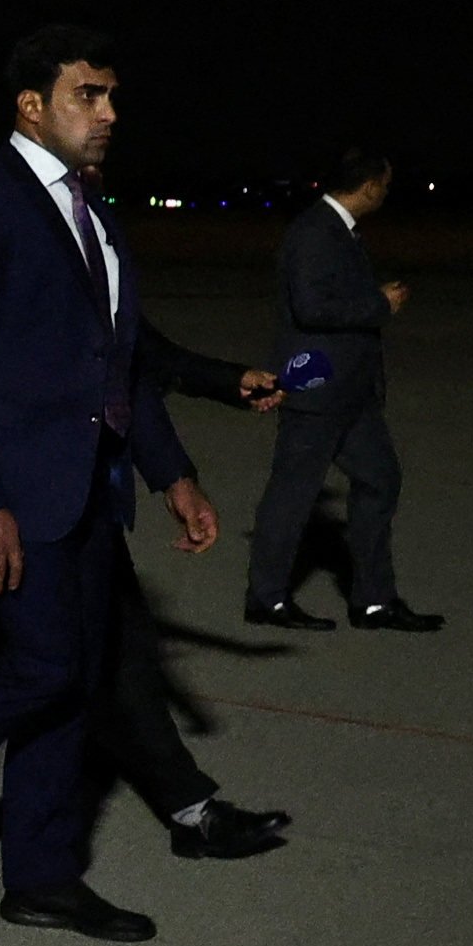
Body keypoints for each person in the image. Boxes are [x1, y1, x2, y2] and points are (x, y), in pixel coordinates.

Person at [0, 25, 217, 946]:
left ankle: (39, 876)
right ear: (32, 105)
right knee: (39, 667)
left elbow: (115, 361)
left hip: (79, 489)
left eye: (112, 96)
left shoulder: (94, 209)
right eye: (88, 95)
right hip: (14, 489)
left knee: (69, 683)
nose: (108, 114)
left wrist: (174, 475)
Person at [100, 325, 293, 858]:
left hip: (83, 502)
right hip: (32, 497)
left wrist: (177, 479)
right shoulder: (17, 240)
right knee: (14, 678)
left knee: (119, 657)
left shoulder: (101, 240)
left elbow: (135, 356)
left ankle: (193, 813)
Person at [245, 146, 438, 633]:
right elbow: (311, 308)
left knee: (380, 479)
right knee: (292, 495)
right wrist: (379, 305)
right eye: (386, 185)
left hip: (350, 394)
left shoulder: (338, 232)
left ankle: (373, 601)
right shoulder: (314, 232)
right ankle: (265, 599)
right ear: (369, 185)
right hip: (317, 387)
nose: (386, 193)